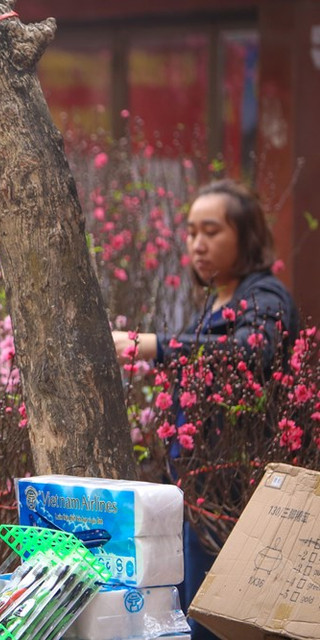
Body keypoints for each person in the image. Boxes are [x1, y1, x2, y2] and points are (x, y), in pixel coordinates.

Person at [112, 178, 300, 639]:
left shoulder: (265, 297)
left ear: (246, 235)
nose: (197, 244)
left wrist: (153, 346)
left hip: (234, 497)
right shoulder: (221, 299)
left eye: (211, 231)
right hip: (200, 493)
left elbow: (250, 353)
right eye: (192, 231)